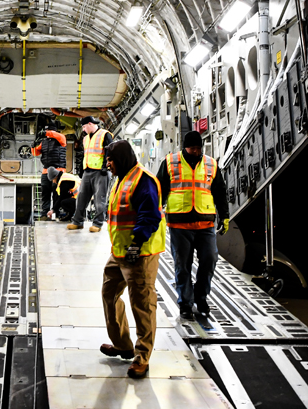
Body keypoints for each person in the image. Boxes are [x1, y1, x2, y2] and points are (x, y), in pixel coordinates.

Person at [97, 141, 165, 379]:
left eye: (111, 160)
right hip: (119, 253)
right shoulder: (122, 178)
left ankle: (141, 357)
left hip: (139, 254)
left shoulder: (143, 180)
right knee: (109, 294)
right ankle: (123, 344)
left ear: (122, 159)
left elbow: (150, 216)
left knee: (142, 305)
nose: (108, 164)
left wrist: (136, 244)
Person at [157, 131, 229, 320]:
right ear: (185, 147)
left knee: (209, 260)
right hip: (179, 224)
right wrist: (155, 213)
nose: (196, 151)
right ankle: (185, 304)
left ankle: (201, 297)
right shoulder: (170, 163)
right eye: (193, 148)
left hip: (205, 223)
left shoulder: (211, 164)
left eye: (199, 148)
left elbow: (220, 191)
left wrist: (225, 216)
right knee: (183, 266)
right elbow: (159, 189)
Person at [69, 116, 113, 233]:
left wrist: (105, 165)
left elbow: (110, 150)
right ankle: (77, 222)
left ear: (90, 124)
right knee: (81, 197)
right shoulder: (86, 138)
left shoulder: (105, 134)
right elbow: (86, 154)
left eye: (84, 127)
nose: (83, 129)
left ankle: (97, 224)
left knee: (100, 199)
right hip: (88, 171)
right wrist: (81, 168)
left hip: (100, 172)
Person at [32, 122, 68, 220]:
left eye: (49, 130)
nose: (47, 133)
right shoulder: (43, 142)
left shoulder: (61, 138)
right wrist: (33, 145)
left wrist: (46, 133)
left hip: (58, 170)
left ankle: (57, 212)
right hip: (46, 171)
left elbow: (58, 135)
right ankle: (44, 214)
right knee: (45, 193)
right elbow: (35, 152)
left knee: (57, 193)